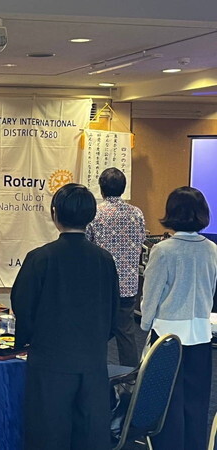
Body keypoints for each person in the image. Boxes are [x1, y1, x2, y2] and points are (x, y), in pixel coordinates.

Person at [11, 183, 119, 450]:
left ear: (54, 213)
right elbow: (113, 311)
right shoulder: (104, 259)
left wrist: (27, 340)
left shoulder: (40, 258)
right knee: (89, 435)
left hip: (50, 362)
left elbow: (22, 306)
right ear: (91, 215)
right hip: (93, 361)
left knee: (48, 435)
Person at [141, 186, 217, 450]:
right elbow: (211, 289)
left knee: (167, 403)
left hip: (167, 337)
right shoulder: (212, 249)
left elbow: (151, 295)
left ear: (171, 212)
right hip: (201, 334)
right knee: (197, 403)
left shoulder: (163, 250)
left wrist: (145, 324)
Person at [86, 167, 146, 367]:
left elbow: (87, 244)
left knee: (97, 333)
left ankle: (94, 371)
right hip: (128, 285)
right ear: (123, 188)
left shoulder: (95, 214)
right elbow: (141, 240)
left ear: (101, 189)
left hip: (101, 286)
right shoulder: (136, 213)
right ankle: (130, 377)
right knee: (126, 333)